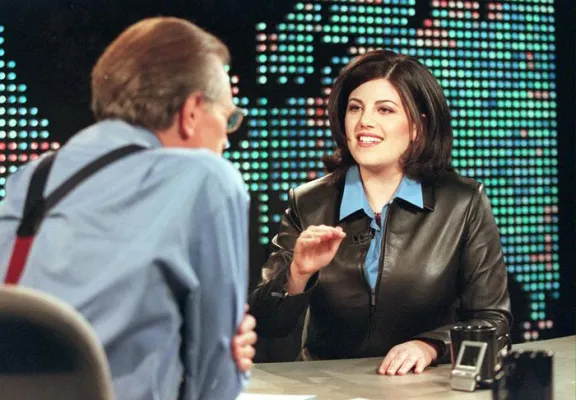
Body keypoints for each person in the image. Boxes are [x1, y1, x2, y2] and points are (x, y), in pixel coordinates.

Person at [0, 17, 256, 399]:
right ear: (191, 112)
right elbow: (215, 383)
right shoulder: (207, 177)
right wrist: (231, 357)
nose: (227, 139)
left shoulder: (31, 178)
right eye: (227, 117)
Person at [249, 49, 511, 376]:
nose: (365, 122)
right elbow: (267, 324)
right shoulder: (309, 202)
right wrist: (297, 274)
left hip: (424, 386)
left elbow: (493, 321)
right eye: (355, 108)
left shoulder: (462, 201)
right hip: (331, 386)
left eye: (385, 109)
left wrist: (431, 345)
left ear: (418, 126)